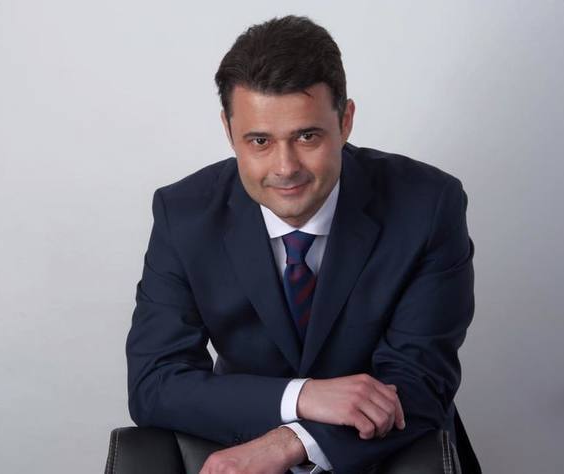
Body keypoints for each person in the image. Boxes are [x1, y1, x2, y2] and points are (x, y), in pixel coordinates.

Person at [126, 15, 481, 474]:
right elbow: (155, 383)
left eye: (307, 136)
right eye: (259, 141)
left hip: (387, 453)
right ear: (228, 131)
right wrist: (302, 397)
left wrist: (293, 441)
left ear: (345, 121)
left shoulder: (428, 205)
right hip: (239, 442)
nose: (285, 167)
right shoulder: (183, 215)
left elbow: (420, 380)